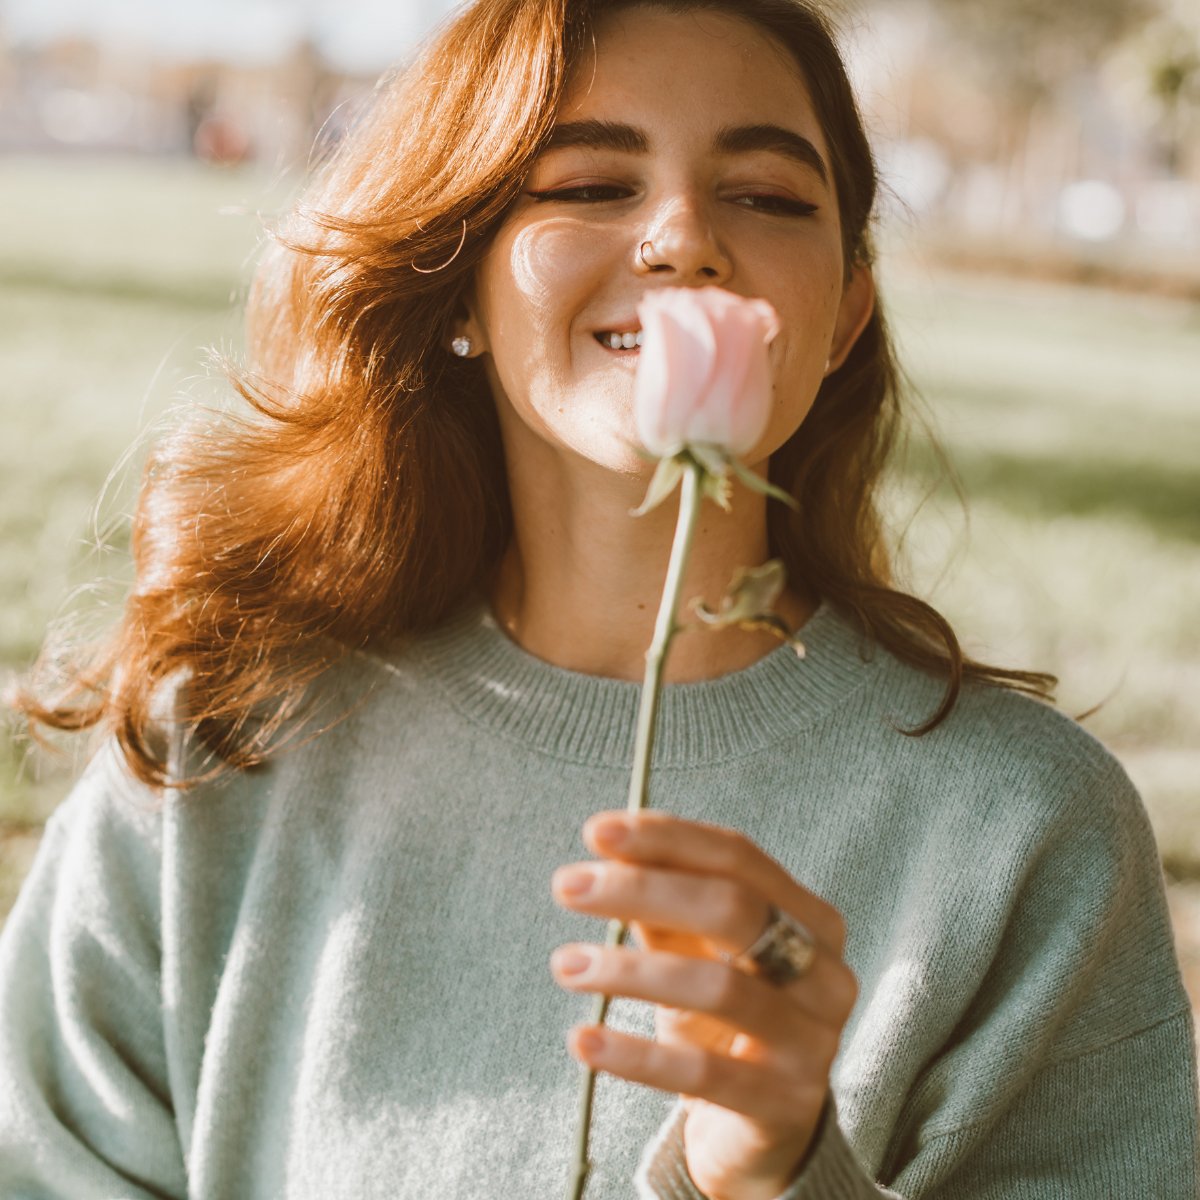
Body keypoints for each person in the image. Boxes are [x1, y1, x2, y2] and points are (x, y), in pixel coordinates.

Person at [1, 1, 1196, 1196]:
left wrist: (776, 1171)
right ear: (459, 282)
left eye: (770, 197)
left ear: (844, 315)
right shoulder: (223, 737)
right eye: (585, 186)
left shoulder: (1027, 834)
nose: (683, 237)